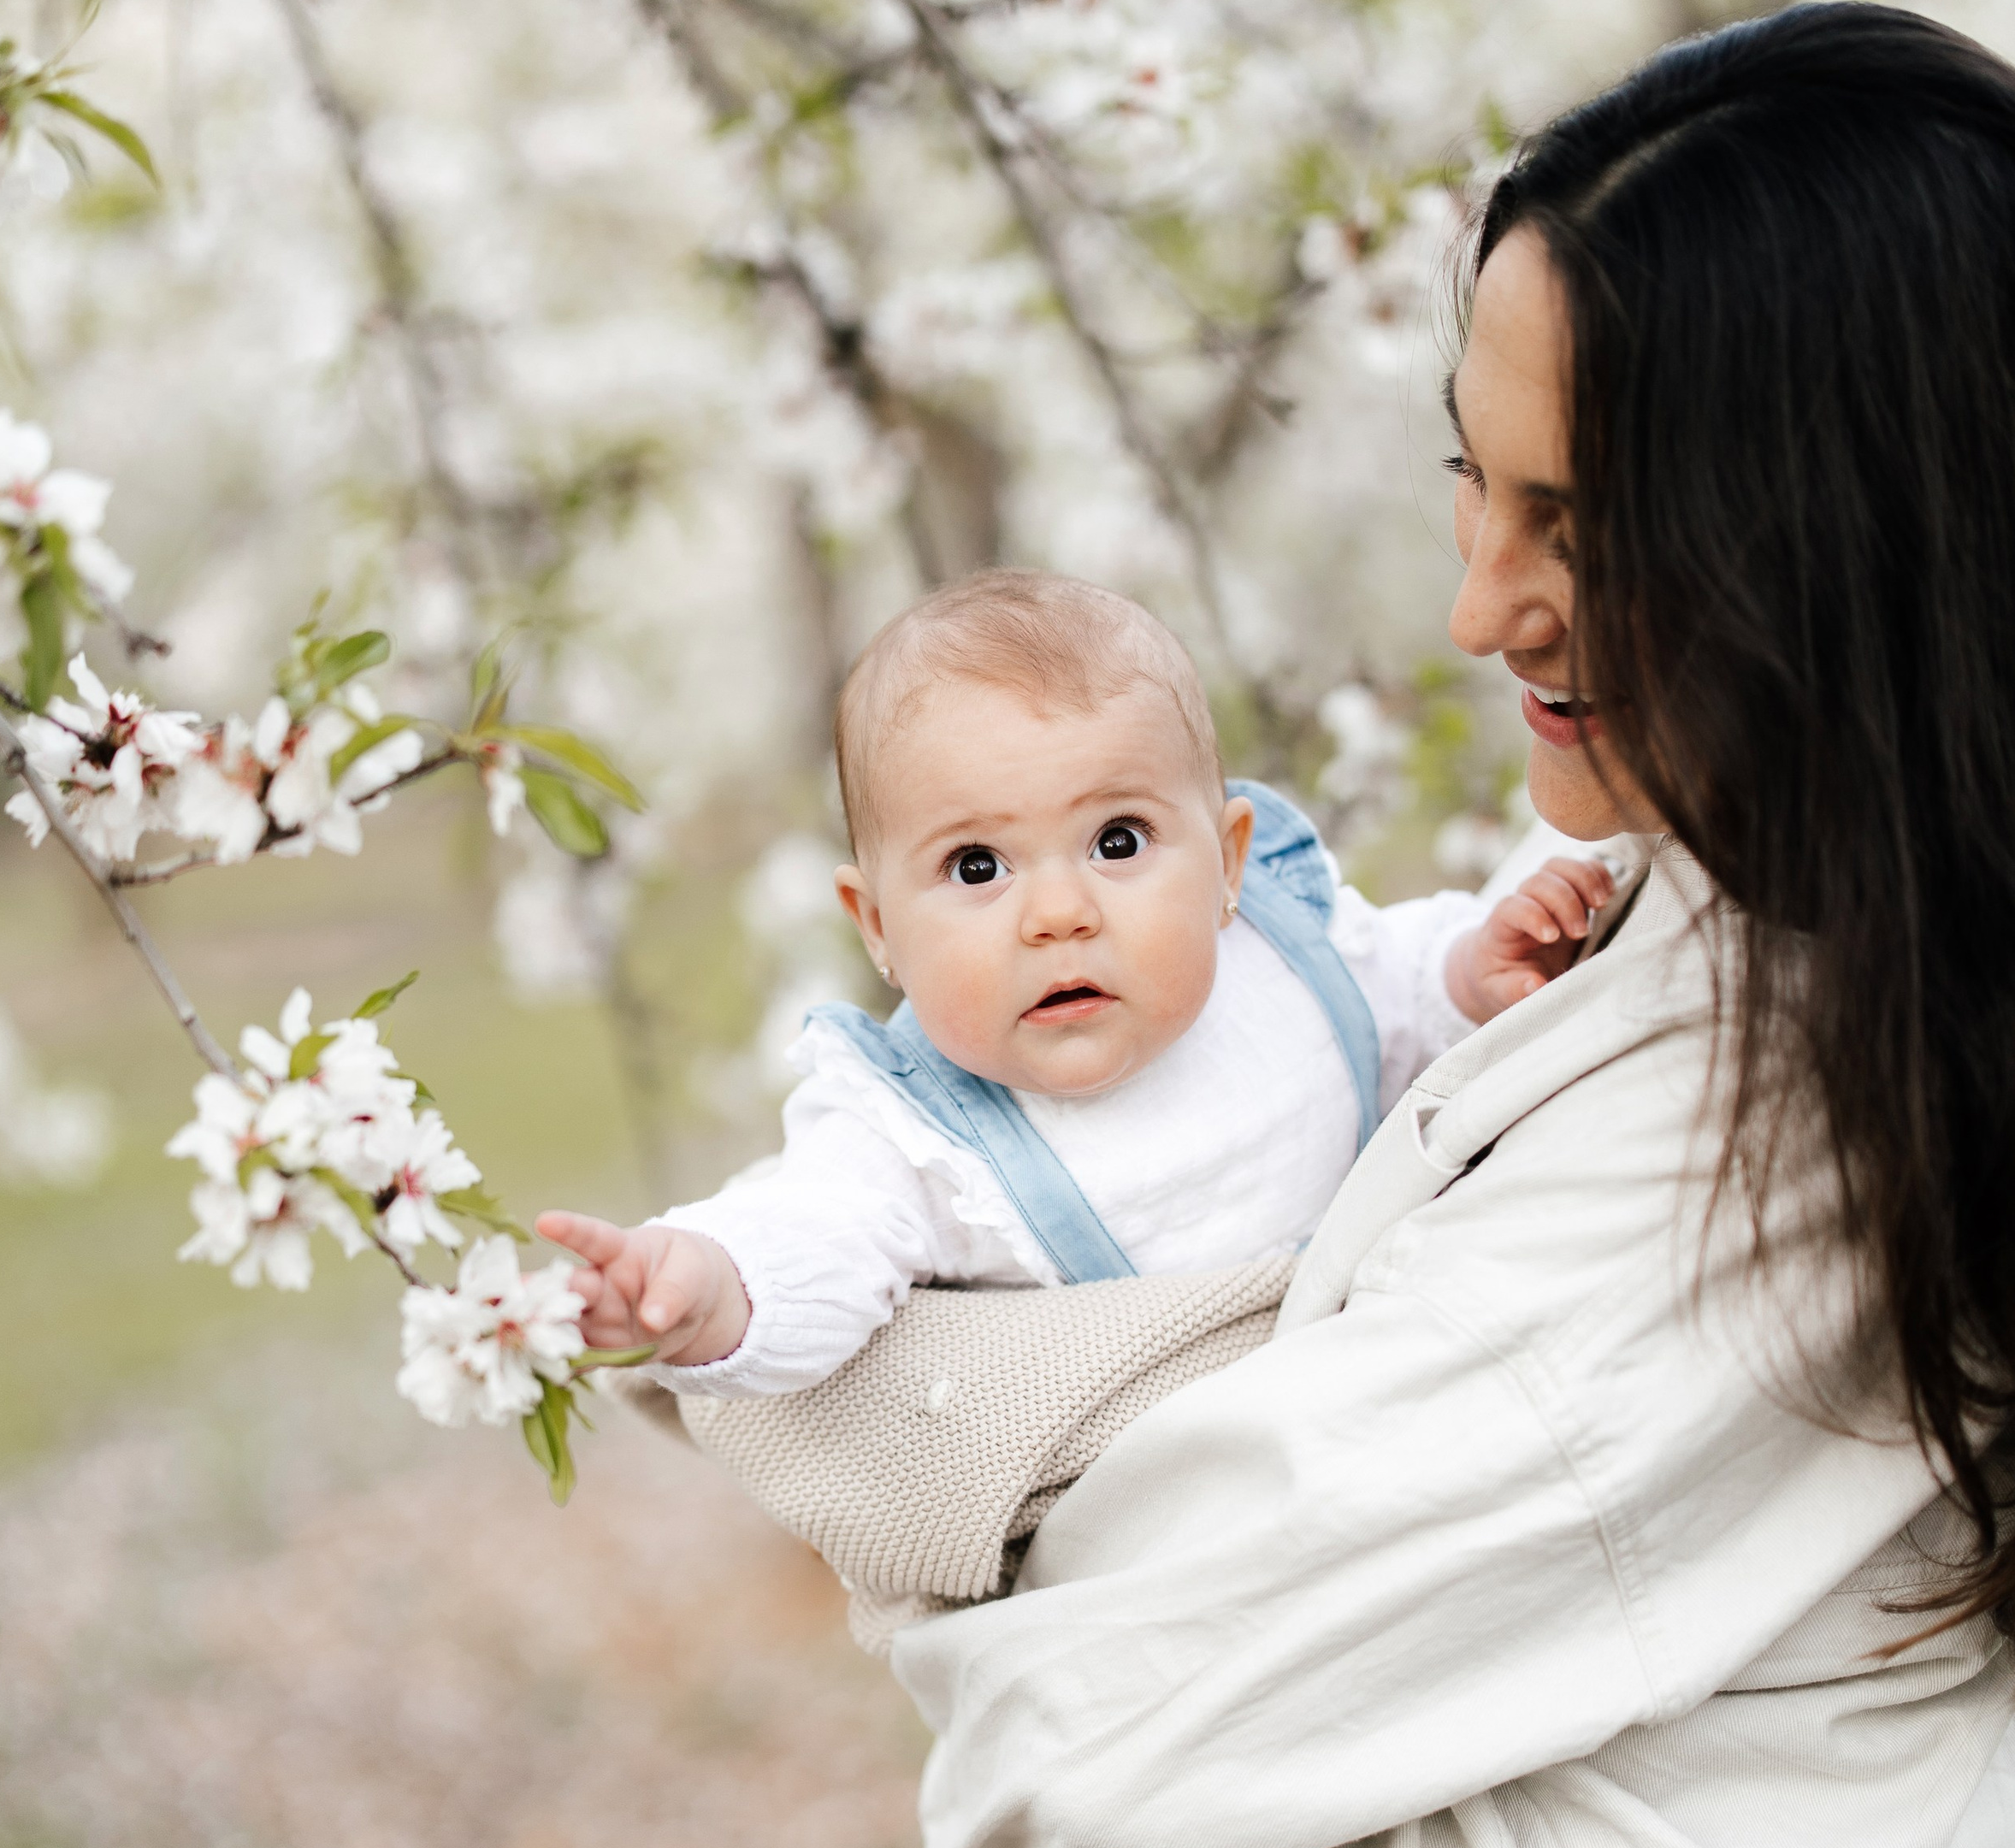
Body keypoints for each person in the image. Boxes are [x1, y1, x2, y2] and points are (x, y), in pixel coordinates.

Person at [893, 4, 2015, 1848]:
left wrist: (909, 1400)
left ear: (1838, 533)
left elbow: (1102, 1707)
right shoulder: (1777, 967)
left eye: (1583, 522)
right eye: (1473, 483)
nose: (1485, 607)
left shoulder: (1777, 1142)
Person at [534, 569, 1609, 1385]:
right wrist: (706, 1288)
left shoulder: (1279, 950)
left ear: (1227, 862)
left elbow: (1401, 991)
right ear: (878, 930)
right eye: (977, 867)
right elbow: (812, 1234)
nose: (1058, 914)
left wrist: (1476, 966)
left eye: (1118, 841)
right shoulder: (921, 1136)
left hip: (1410, 1372)